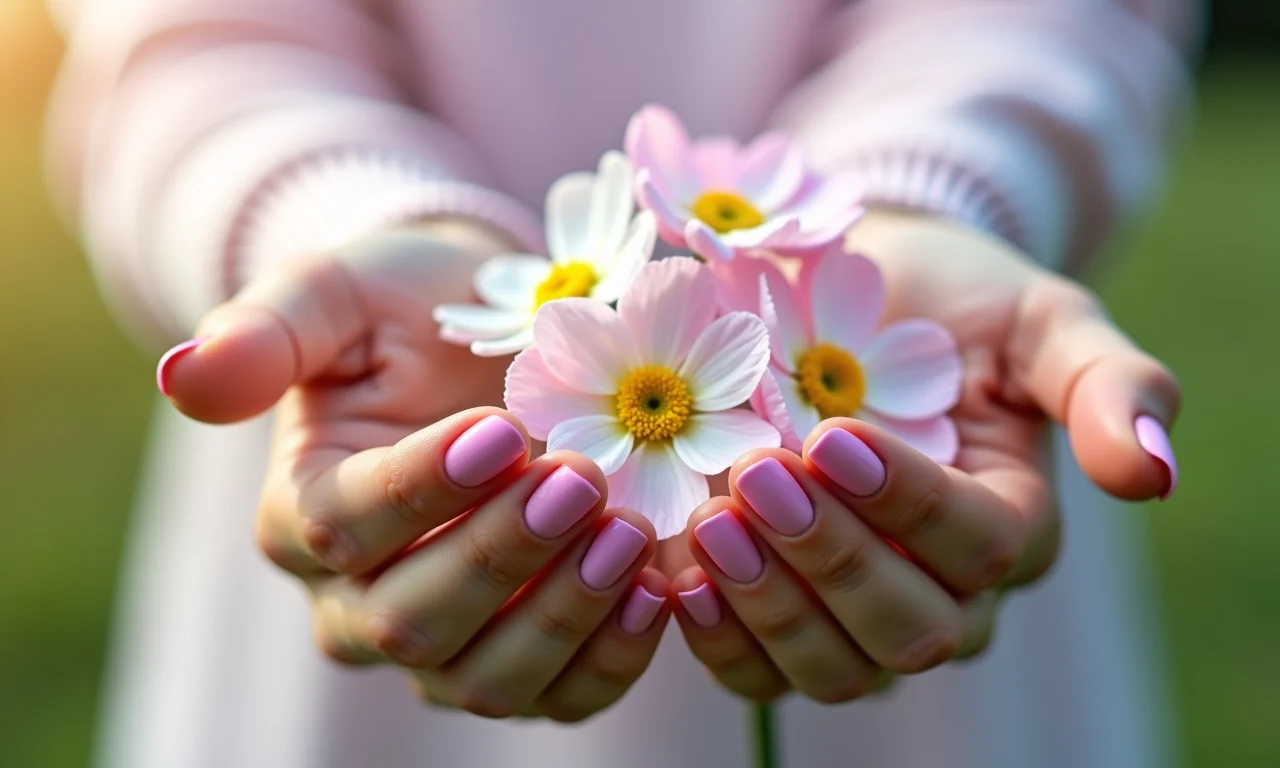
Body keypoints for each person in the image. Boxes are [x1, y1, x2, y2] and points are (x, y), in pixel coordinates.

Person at [45, 1, 1197, 766]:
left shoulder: (806, 361)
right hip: (392, 428)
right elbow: (192, 38)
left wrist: (932, 192)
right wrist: (329, 217)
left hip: (902, 487)